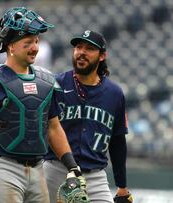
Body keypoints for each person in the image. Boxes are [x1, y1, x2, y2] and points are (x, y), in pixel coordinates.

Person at [0, 7, 83, 203]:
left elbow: (53, 128)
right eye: (28, 43)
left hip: (37, 169)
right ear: (11, 46)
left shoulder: (46, 81)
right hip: (0, 168)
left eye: (36, 41)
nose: (35, 47)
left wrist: (72, 166)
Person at [44, 30, 133, 203]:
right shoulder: (55, 85)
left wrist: (122, 186)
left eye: (89, 48)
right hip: (55, 170)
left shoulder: (114, 94)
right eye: (78, 47)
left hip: (94, 177)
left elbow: (117, 141)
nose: (82, 52)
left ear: (102, 56)